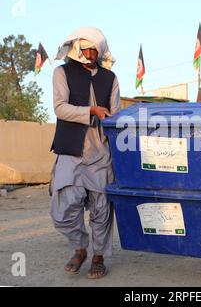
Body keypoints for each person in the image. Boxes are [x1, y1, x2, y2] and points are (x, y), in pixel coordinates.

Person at [49, 27, 120, 279]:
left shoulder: (110, 78)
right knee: (63, 208)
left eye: (94, 50)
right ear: (77, 49)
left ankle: (98, 255)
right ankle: (80, 247)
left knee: (101, 208)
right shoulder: (62, 73)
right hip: (70, 149)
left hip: (101, 151)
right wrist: (91, 111)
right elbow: (60, 108)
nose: (90, 54)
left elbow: (115, 114)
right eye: (86, 49)